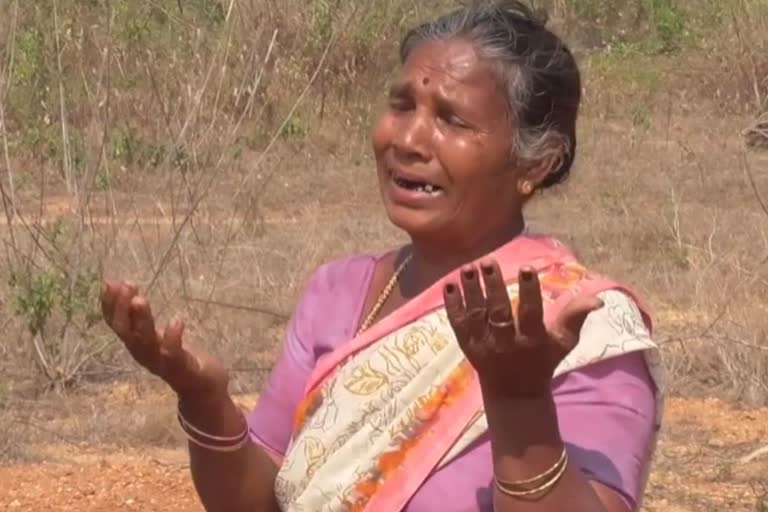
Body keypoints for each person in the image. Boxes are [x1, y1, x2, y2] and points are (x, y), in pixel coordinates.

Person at [101, 2, 664, 511]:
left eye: (451, 119)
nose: (409, 140)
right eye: (402, 105)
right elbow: (257, 503)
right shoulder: (338, 293)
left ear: (535, 163)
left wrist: (519, 401)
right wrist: (202, 398)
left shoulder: (579, 324)